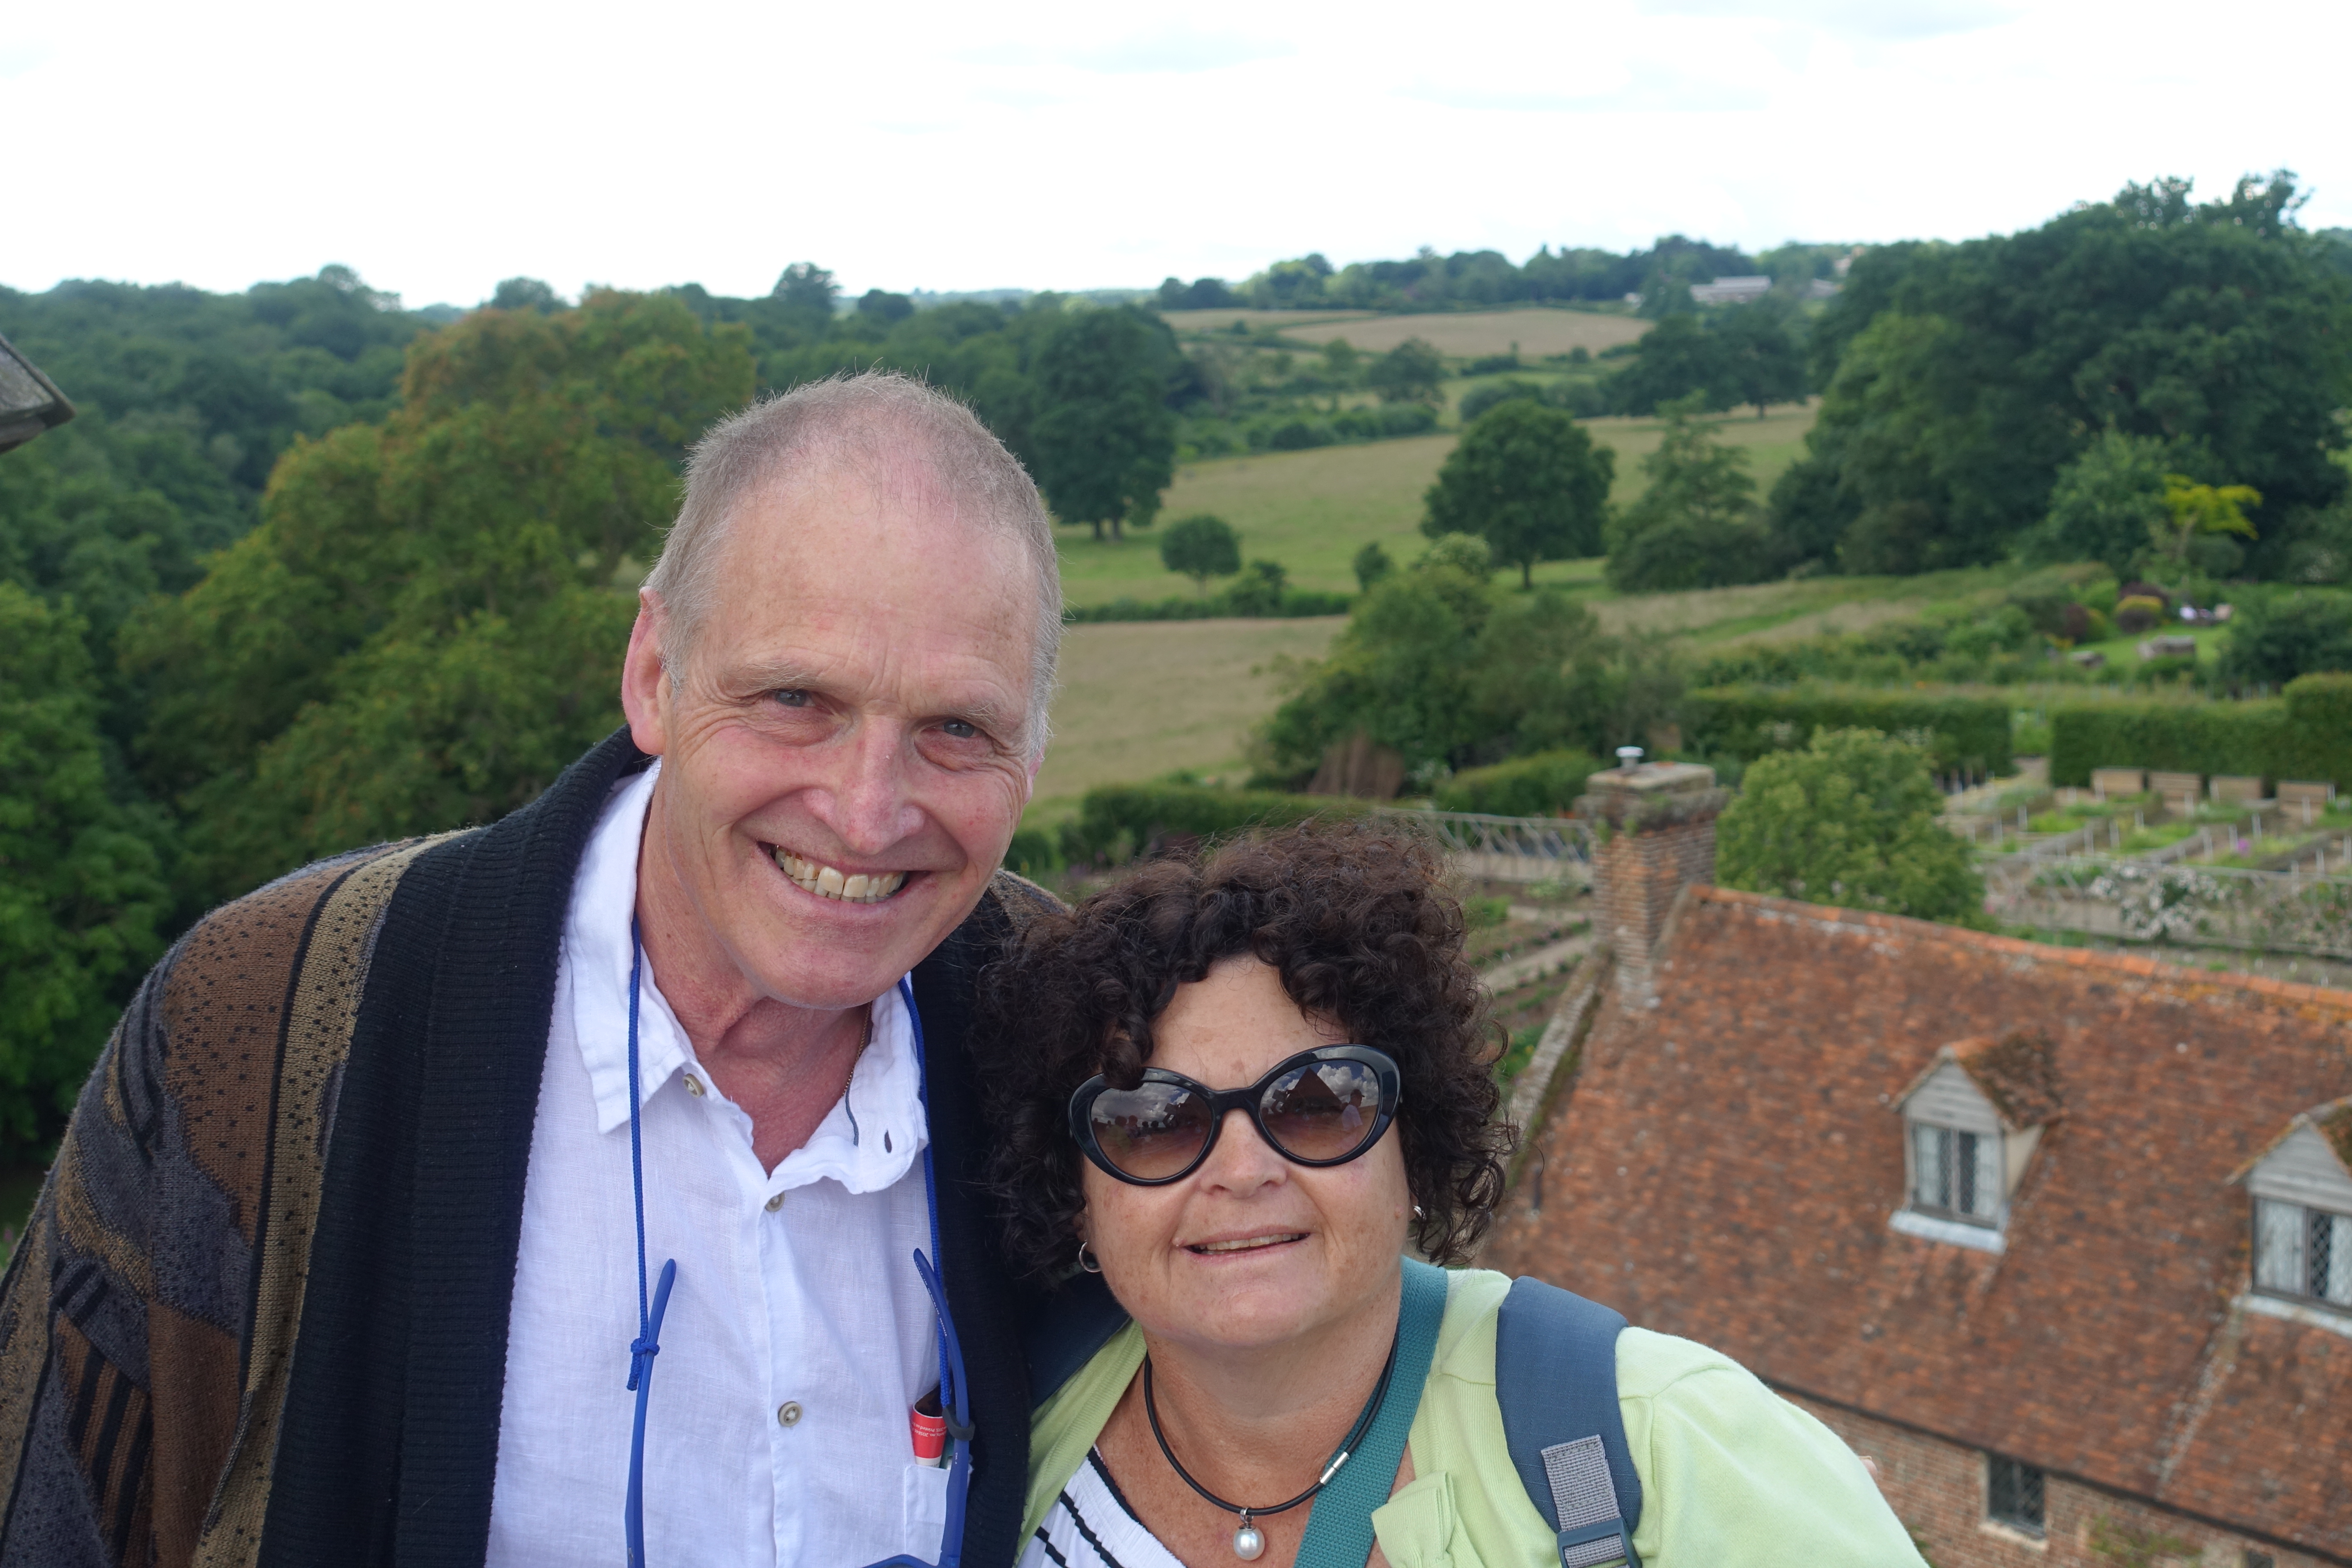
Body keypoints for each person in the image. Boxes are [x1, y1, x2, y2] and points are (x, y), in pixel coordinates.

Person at [0, 371, 1062, 1568]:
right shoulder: (258, 1017)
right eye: (795, 698)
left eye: (957, 729)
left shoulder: (1090, 1046)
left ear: (1033, 753)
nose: (867, 816)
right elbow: (48, 1510)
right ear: (654, 674)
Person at [976, 822, 1927, 1568]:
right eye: (1154, 1120)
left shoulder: (1665, 1443)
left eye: (1316, 1103)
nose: (1244, 1169)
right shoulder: (1005, 1426)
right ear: (1076, 1190)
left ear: (1413, 1140)